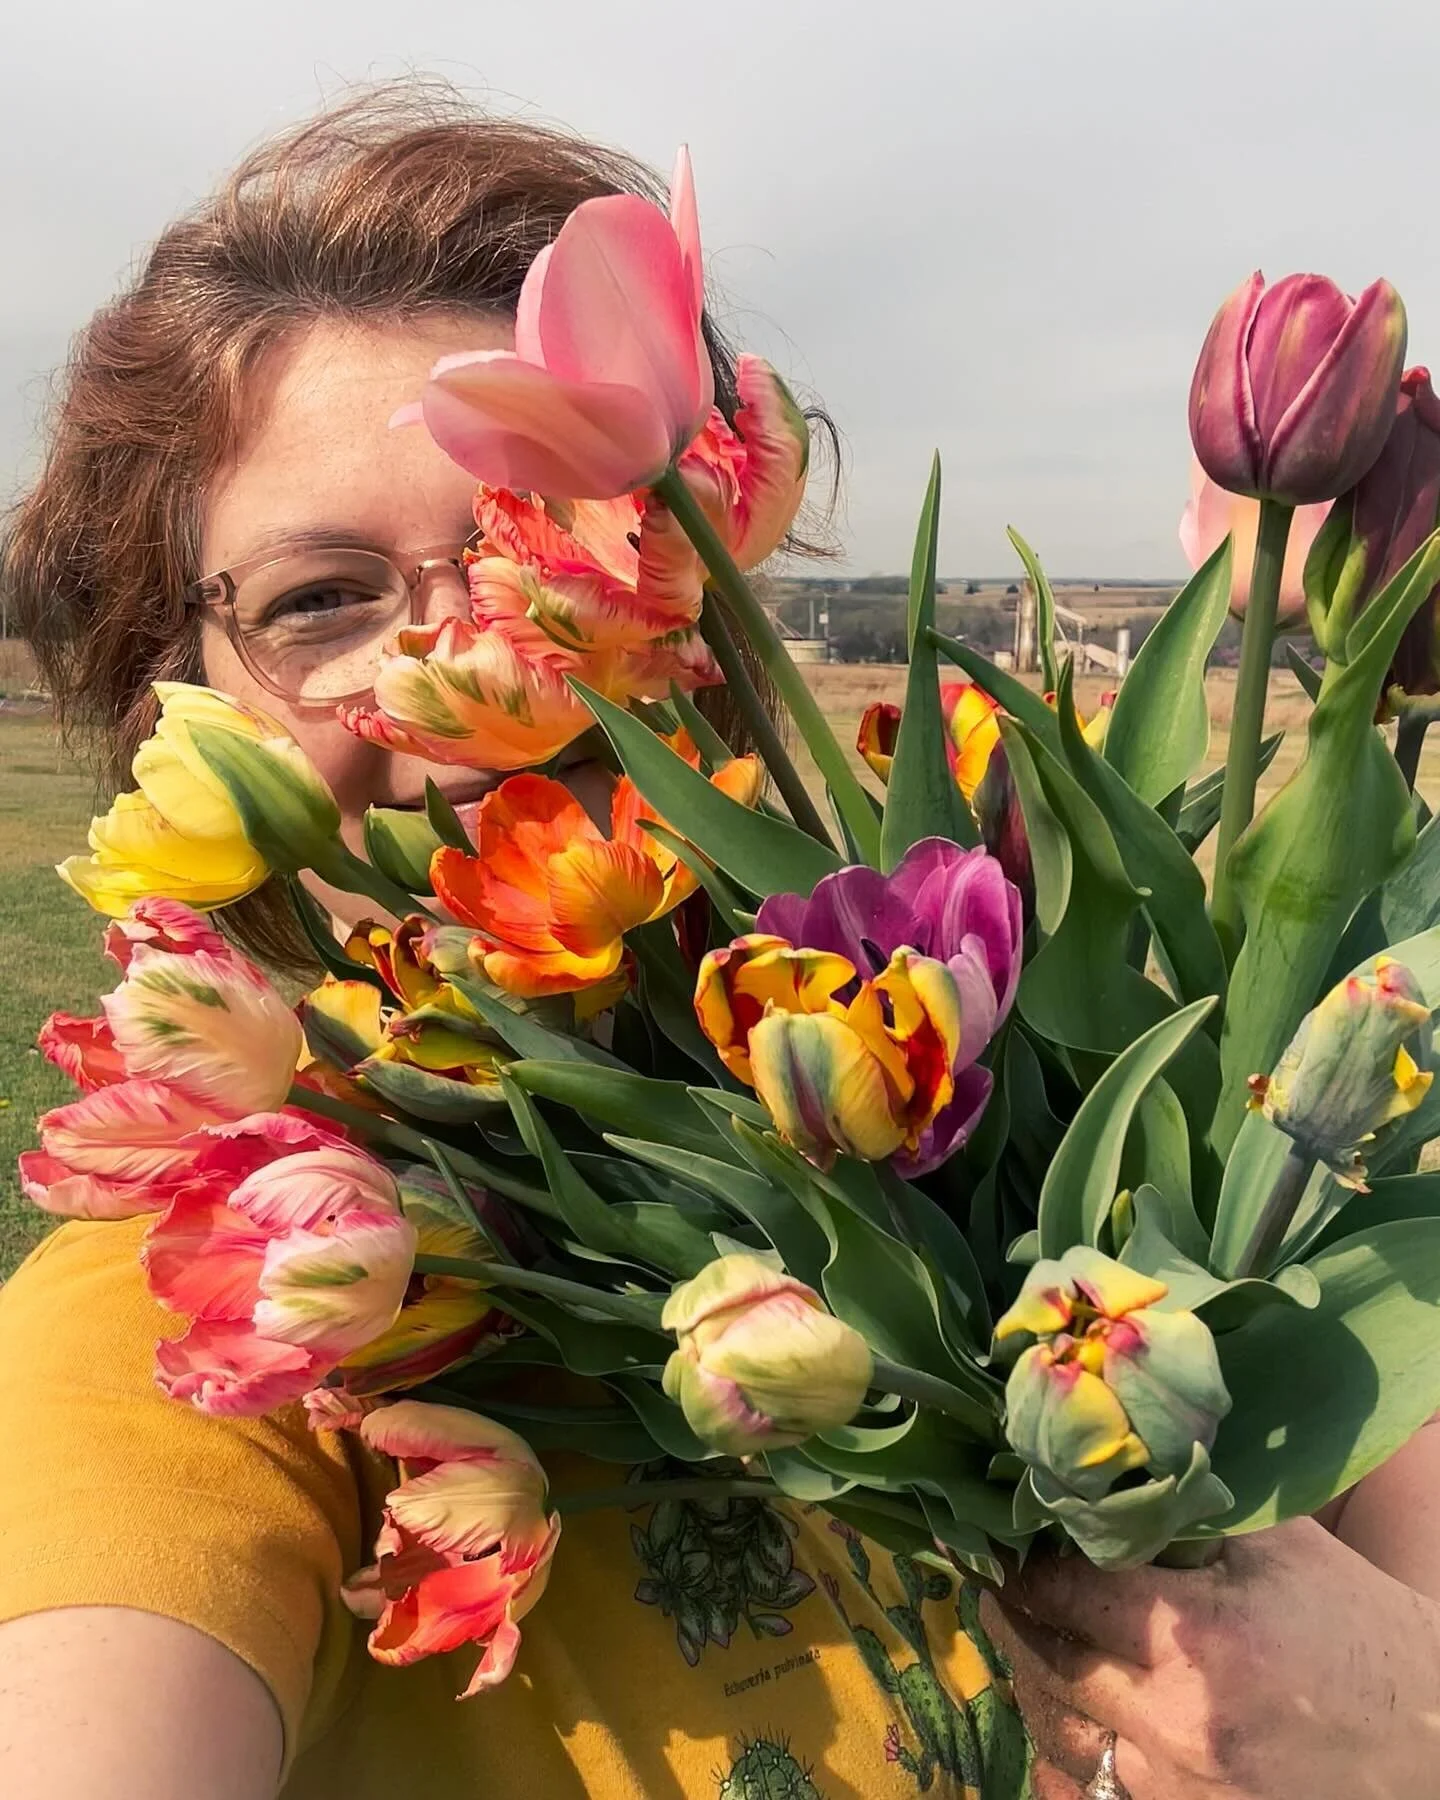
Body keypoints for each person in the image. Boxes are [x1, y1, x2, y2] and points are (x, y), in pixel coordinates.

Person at [0, 85, 1437, 1800]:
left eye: (540, 546)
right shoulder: (216, 1328)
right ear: (175, 692)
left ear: (697, 587)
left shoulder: (1076, 1114)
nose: (456, 691)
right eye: (319, 600)